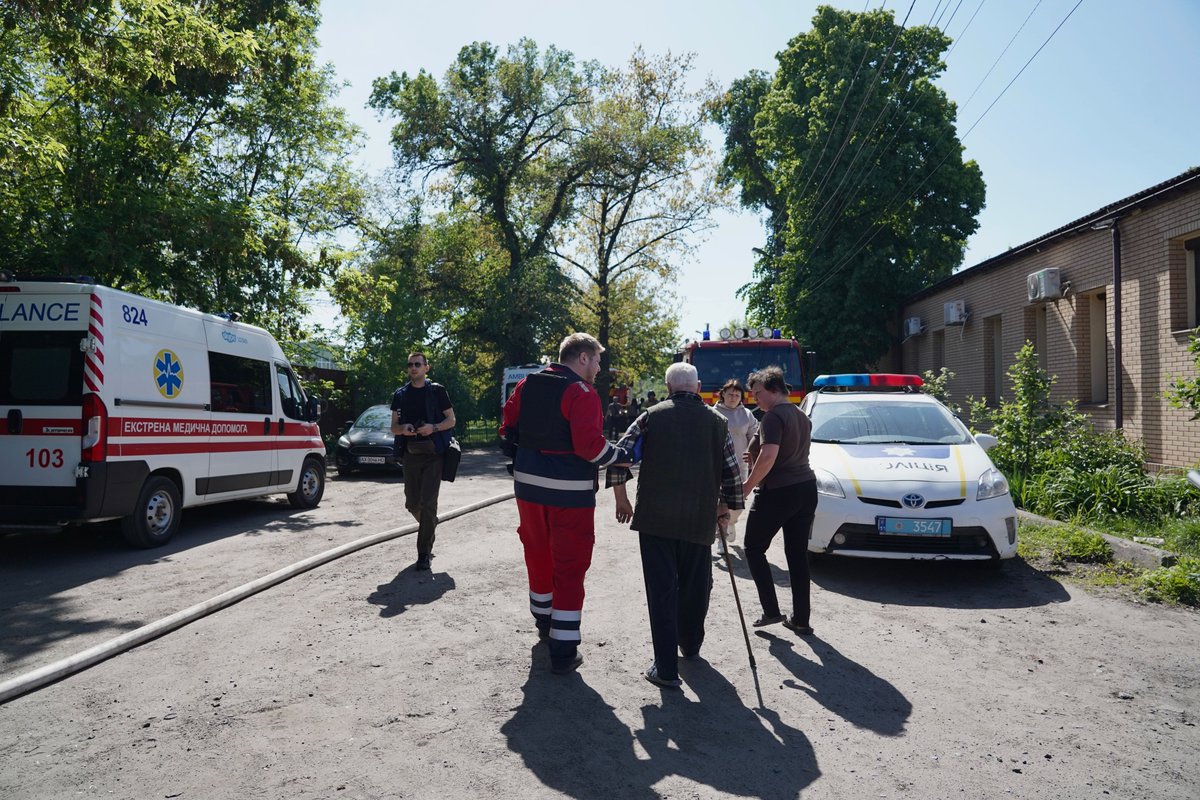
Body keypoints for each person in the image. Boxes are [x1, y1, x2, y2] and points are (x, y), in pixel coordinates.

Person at [500, 333, 633, 675]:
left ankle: (543, 622)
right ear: (583, 358)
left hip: (528, 488)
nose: (599, 369)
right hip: (569, 493)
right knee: (571, 564)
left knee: (537, 553)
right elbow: (590, 447)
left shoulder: (527, 384)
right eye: (598, 361)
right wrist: (622, 455)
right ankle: (563, 649)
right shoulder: (581, 392)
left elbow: (507, 429)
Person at [607, 362, 745, 689]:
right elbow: (732, 472)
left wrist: (621, 498)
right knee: (697, 584)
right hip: (699, 517)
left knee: (662, 590)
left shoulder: (651, 416)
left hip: (656, 518)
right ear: (697, 387)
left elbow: (621, 455)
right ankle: (691, 643)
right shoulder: (717, 422)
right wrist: (726, 505)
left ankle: (666, 668)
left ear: (669, 388)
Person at [741, 366, 817, 636]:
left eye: (758, 393)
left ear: (774, 389)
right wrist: (760, 458)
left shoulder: (772, 417)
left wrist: (747, 486)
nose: (755, 399)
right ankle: (801, 619)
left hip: (779, 490)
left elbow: (770, 456)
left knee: (753, 547)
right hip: (806, 488)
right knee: (797, 556)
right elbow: (783, 452)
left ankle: (771, 610)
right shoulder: (801, 415)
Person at [390, 351, 456, 571]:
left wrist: (432, 427)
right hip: (411, 453)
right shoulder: (400, 395)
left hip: (434, 454)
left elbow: (451, 420)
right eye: (410, 364)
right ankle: (430, 523)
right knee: (412, 503)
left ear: (427, 368)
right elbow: (394, 427)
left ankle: (423, 554)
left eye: (418, 364)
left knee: (428, 503)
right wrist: (404, 429)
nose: (413, 367)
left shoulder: (437, 391)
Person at [710, 379, 758, 555]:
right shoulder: (713, 412)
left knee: (738, 504)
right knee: (720, 502)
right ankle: (721, 538)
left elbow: (755, 435)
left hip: (740, 465)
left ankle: (730, 522)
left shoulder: (746, 414)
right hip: (716, 466)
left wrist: (753, 453)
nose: (733, 397)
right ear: (722, 394)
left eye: (737, 395)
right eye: (730, 393)